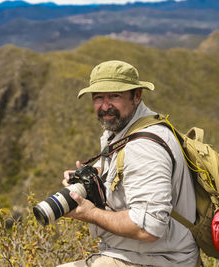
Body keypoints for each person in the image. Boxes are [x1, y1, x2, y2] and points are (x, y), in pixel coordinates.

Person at [59, 60, 199, 267]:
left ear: (137, 95)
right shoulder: (121, 131)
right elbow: (131, 171)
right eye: (98, 98)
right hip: (140, 255)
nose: (105, 106)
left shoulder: (144, 147)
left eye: (115, 96)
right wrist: (94, 176)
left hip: (159, 261)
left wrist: (90, 214)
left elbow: (148, 228)